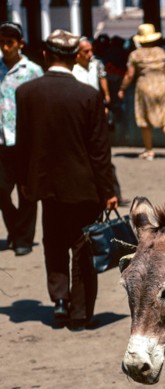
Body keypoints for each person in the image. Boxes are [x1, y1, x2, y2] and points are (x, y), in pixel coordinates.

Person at [16, 29, 118, 330]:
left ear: (45, 55)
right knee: (82, 246)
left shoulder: (26, 93)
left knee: (53, 241)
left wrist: (24, 181)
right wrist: (108, 190)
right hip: (84, 186)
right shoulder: (89, 96)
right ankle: (80, 313)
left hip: (44, 185)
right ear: (76, 58)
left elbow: (23, 143)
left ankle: (59, 302)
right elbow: (100, 151)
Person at [0, 21, 43, 256]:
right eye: (2, 42)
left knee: (27, 192)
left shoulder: (33, 71)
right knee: (2, 190)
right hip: (1, 141)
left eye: (10, 42)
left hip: (25, 141)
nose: (5, 47)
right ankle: (16, 229)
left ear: (20, 44)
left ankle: (23, 239)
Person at [117, 23, 165, 160]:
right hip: (161, 85)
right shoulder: (162, 53)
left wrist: (122, 88)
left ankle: (149, 150)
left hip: (144, 85)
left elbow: (129, 75)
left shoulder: (135, 55)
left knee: (144, 118)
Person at [73, 36, 125, 204]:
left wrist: (107, 98)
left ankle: (113, 193)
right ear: (77, 53)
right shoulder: (72, 70)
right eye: (85, 51)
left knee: (103, 157)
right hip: (79, 116)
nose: (90, 54)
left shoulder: (96, 64)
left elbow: (102, 79)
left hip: (96, 113)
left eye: (90, 50)